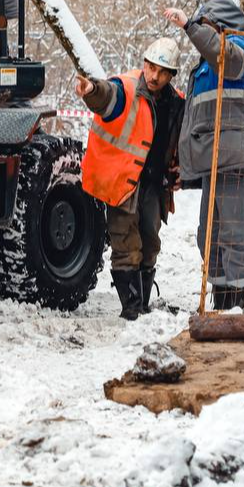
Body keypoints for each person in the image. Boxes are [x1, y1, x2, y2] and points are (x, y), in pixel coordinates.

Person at [165, 0, 244, 310]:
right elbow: (201, 126)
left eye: (205, 28)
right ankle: (224, 302)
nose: (201, 35)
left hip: (239, 160)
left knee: (236, 234)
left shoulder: (241, 49)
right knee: (209, 237)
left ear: (220, 26)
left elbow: (224, 55)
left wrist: (188, 26)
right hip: (218, 164)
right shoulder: (205, 69)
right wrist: (186, 176)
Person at [75, 38, 184, 320]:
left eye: (162, 71)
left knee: (150, 242)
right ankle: (131, 308)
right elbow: (107, 97)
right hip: (123, 181)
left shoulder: (177, 103)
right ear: (144, 64)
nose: (154, 76)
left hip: (154, 184)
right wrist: (91, 90)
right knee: (125, 242)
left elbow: (181, 141)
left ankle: (143, 302)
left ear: (171, 74)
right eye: (151, 68)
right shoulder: (127, 89)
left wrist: (179, 168)